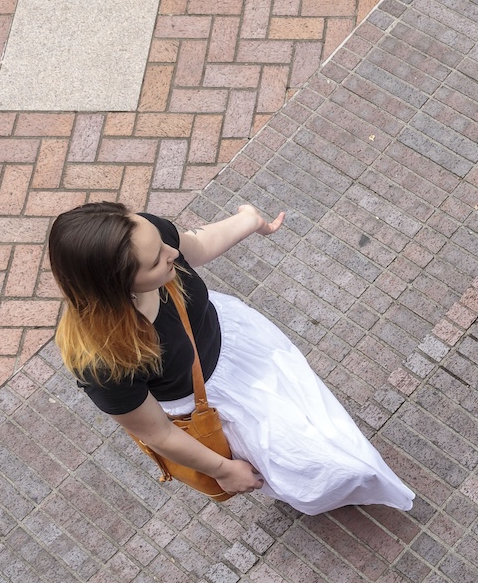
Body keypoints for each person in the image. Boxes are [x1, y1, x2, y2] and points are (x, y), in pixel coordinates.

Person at [47, 201, 415, 514]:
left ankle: (354, 482)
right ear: (116, 283)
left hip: (241, 346)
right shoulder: (101, 361)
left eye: (162, 243)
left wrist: (249, 220)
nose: (172, 254)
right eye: (158, 260)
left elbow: (195, 245)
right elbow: (157, 432)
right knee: (308, 460)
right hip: (214, 400)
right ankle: (343, 487)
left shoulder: (147, 237)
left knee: (320, 430)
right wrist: (223, 469)